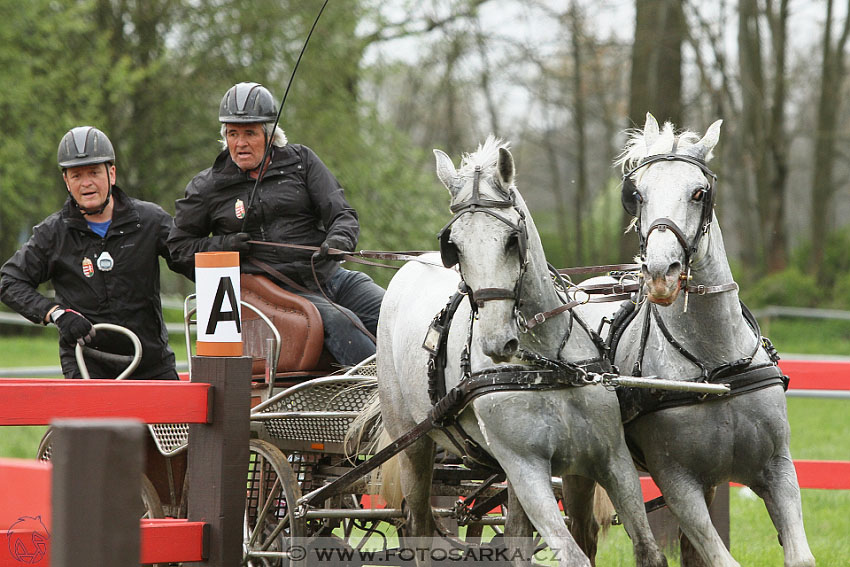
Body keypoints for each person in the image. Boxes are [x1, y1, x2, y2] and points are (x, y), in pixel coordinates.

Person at [168, 82, 383, 366]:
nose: (240, 143)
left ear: (269, 135)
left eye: (249, 133)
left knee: (395, 310)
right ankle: (378, 400)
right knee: (344, 322)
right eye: (232, 134)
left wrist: (338, 241)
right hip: (272, 293)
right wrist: (224, 246)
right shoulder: (208, 186)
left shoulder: (302, 162)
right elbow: (178, 248)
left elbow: (342, 213)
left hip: (330, 276)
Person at [0, 126, 193, 379]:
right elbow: (10, 282)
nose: (86, 183)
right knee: (93, 420)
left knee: (177, 419)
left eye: (93, 172)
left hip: (151, 362)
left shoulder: (149, 220)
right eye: (77, 175)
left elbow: (192, 259)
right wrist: (57, 314)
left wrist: (227, 262)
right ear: (66, 181)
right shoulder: (53, 233)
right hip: (86, 364)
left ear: (111, 174)